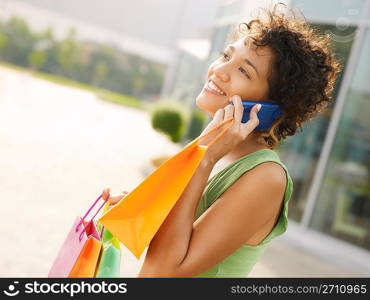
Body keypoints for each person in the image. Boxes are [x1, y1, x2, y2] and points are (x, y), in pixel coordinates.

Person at [102, 4, 340, 277]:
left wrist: (205, 159)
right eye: (226, 55)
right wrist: (142, 210)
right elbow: (180, 235)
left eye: (244, 71)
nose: (219, 71)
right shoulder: (217, 148)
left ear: (271, 107)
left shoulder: (265, 177)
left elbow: (162, 273)